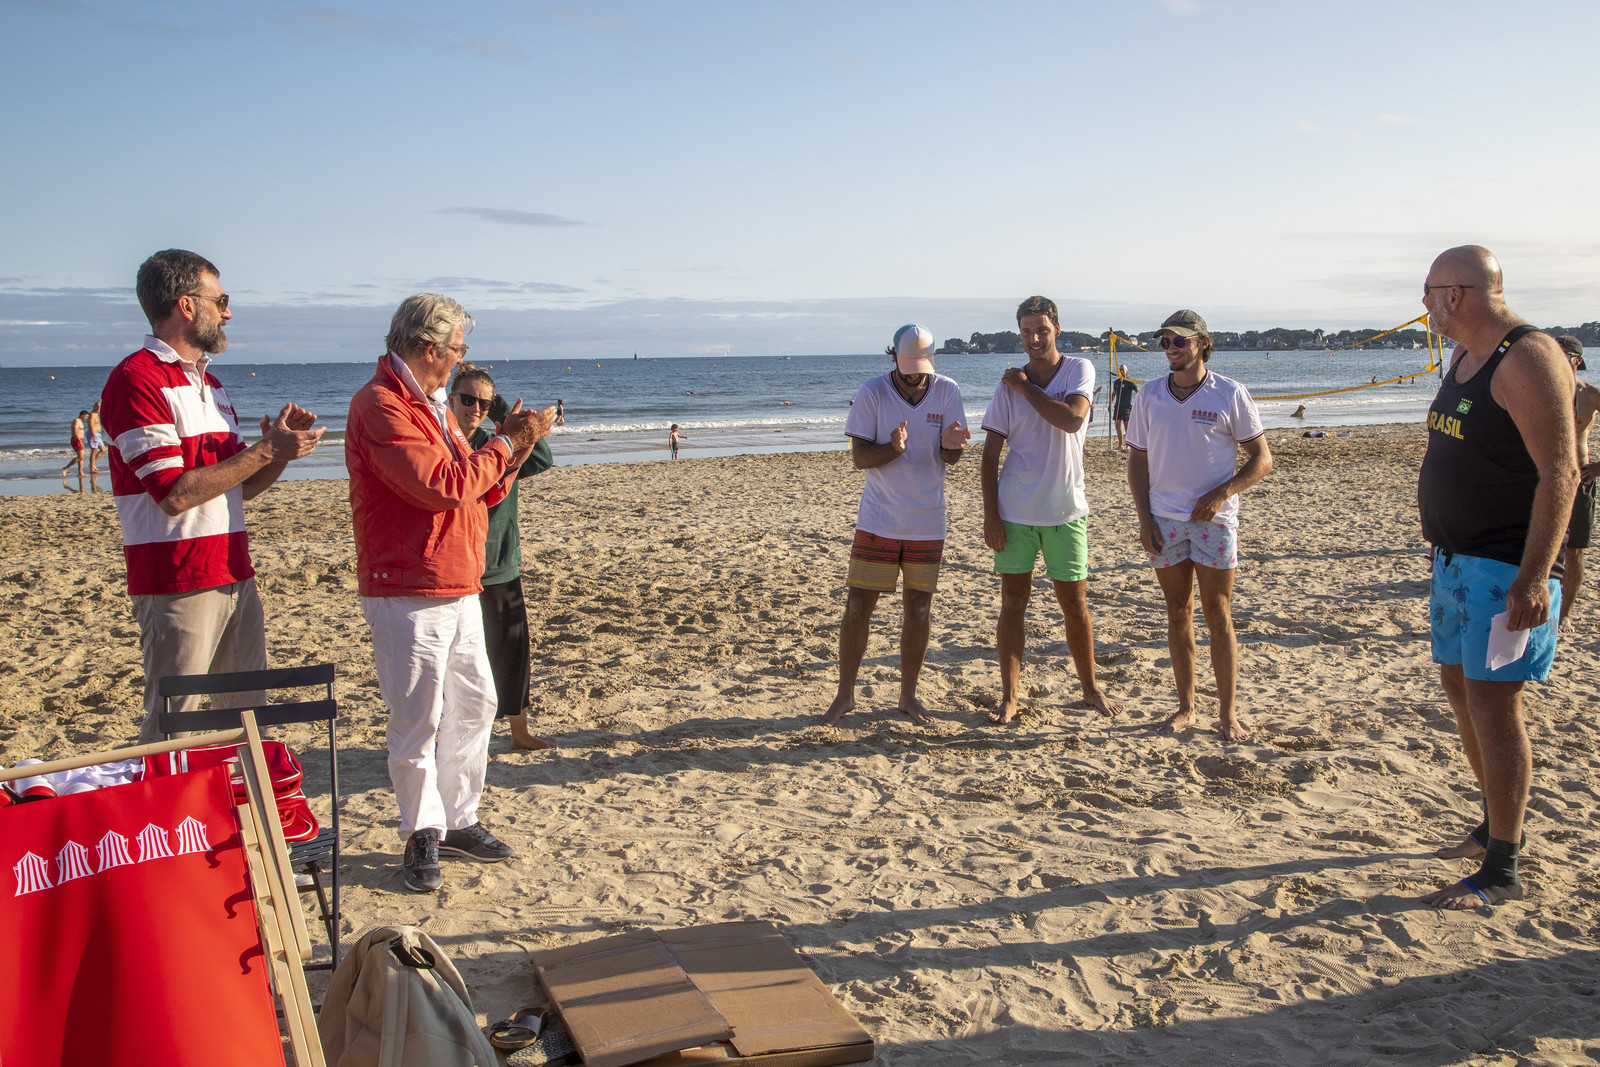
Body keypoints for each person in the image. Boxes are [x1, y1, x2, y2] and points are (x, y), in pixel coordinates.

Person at [346, 293, 554, 893]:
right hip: (409, 584)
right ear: (432, 350)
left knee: (476, 703)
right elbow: (441, 484)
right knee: (417, 719)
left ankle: (459, 819)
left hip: (456, 578)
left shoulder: (430, 405)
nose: (465, 358)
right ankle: (421, 832)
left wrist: (510, 451)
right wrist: (506, 444)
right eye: (461, 348)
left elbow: (477, 491)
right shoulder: (383, 405)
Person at [101, 249, 324, 743]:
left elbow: (236, 488)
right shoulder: (136, 379)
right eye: (220, 299)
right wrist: (266, 447)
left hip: (233, 572)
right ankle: (163, 819)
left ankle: (237, 819)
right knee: (173, 725)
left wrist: (279, 455)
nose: (227, 312)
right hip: (178, 579)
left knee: (246, 721)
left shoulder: (212, 383)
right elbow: (174, 494)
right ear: (186, 305)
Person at [1417, 246, 1578, 910]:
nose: (1423, 306)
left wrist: (1535, 577)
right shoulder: (1462, 359)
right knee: (1460, 688)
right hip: (1454, 561)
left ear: (1456, 295)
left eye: (1427, 293)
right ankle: (1492, 825)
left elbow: (1561, 472)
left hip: (1503, 566)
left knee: (1495, 705)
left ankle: (1503, 867)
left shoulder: (1526, 357)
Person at [1125, 309, 1272, 742]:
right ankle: (1186, 707)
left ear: (1202, 343)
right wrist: (1144, 517)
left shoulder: (1229, 393)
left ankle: (1228, 714)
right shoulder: (1149, 395)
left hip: (1215, 522)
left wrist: (1222, 493)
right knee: (1177, 612)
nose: (1170, 348)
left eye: (1179, 341)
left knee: (1218, 613)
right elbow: (1137, 461)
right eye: (1165, 341)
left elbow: (1262, 459)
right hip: (1164, 520)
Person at [980, 296, 1121, 725]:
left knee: (1075, 606)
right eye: (1026, 332)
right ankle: (1010, 696)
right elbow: (988, 457)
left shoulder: (1079, 369)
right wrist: (990, 515)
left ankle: (1090, 687)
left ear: (1056, 328)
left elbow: (1072, 420)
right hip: (1015, 511)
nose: (1034, 339)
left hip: (1066, 511)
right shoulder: (1006, 388)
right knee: (1013, 604)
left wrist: (1026, 387)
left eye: (1041, 330)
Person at [822, 325, 969, 726]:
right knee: (857, 607)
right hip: (879, 520)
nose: (912, 375)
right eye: (906, 367)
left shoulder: (947, 390)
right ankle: (845, 695)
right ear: (894, 359)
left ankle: (908, 695)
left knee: (919, 609)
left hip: (927, 521)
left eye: (919, 367)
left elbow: (949, 460)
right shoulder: (872, 392)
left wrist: (952, 448)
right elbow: (860, 459)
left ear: (931, 360)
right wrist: (892, 448)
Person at [447, 363, 555, 751]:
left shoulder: (499, 444)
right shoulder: (446, 447)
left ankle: (519, 732)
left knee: (511, 653)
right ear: (451, 400)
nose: (474, 407)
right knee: (467, 665)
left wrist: (505, 417)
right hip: (462, 571)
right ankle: (474, 742)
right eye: (467, 399)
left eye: (483, 402)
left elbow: (541, 457)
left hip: (503, 567)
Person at [1555, 335, 1598, 631]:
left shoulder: (1590, 395)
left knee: (1574, 550)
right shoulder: (1539, 390)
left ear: (1577, 361)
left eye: (1562, 356)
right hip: (1543, 477)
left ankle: (1565, 612)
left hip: (1580, 478)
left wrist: (1599, 466)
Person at [60, 410, 89, 492]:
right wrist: (79, 441)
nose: (86, 418)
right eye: (86, 416)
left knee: (82, 457)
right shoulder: (76, 421)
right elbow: (74, 432)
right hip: (76, 440)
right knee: (80, 456)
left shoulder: (80, 421)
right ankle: (65, 468)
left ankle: (80, 472)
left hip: (80, 440)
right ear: (82, 415)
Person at [1110, 374, 1138, 449]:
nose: (1121, 371)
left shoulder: (1129, 382)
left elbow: (1137, 391)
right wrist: (1110, 403)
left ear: (1126, 372)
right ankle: (1120, 445)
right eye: (1120, 370)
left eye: (1123, 370)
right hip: (1118, 406)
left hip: (1126, 406)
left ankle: (1128, 445)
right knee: (1117, 424)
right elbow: (1114, 394)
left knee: (1127, 425)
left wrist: (1137, 403)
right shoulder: (1116, 382)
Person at [87, 401, 107, 474]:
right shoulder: (92, 414)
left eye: (99, 407)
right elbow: (91, 426)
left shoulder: (96, 414)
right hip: (93, 434)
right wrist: (94, 436)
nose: (98, 408)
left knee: (103, 449)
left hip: (98, 434)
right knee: (94, 451)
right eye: (97, 406)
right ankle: (92, 469)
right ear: (94, 406)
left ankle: (92, 464)